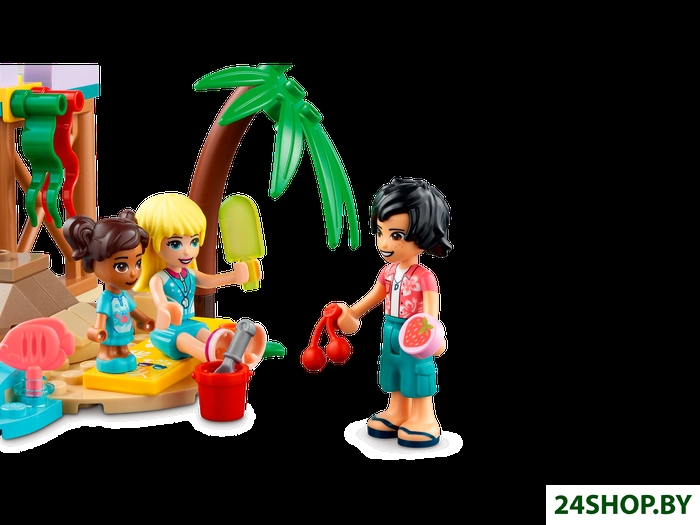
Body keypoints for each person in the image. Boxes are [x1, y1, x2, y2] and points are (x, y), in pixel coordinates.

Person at [335, 177, 452, 448]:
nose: (384, 242)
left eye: (396, 235)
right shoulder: (387, 273)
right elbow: (372, 298)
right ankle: (398, 411)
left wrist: (433, 336)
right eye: (380, 232)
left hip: (416, 333)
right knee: (393, 371)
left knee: (417, 373)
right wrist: (352, 313)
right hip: (390, 329)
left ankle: (424, 418)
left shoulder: (425, 278)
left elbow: (431, 314)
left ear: (426, 235)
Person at [134, 192, 265, 366]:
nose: (187, 251)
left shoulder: (190, 274)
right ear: (152, 243)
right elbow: (160, 302)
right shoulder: (159, 279)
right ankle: (218, 362)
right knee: (187, 341)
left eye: (194, 242)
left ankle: (238, 355)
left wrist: (235, 276)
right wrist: (165, 308)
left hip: (191, 323)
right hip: (168, 332)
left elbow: (210, 281)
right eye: (175, 244)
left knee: (211, 337)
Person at [63, 209, 155, 374]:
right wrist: (98, 329)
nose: (133, 273)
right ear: (94, 263)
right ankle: (106, 356)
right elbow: (101, 317)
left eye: (138, 263)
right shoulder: (106, 298)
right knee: (110, 350)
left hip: (124, 333)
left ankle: (123, 353)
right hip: (110, 336)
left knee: (125, 351)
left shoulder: (124, 296)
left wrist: (145, 320)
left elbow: (134, 311)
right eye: (121, 266)